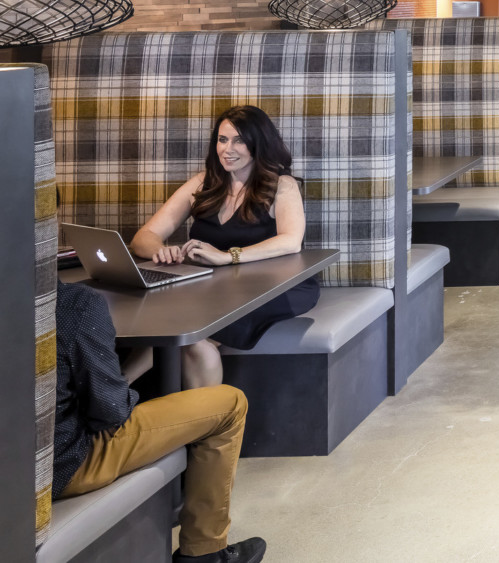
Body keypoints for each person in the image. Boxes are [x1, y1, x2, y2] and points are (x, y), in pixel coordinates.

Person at [53, 280, 266, 563]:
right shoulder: (73, 305)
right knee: (230, 404)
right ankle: (205, 552)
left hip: (15, 466)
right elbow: (111, 412)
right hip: (64, 464)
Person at [130, 105, 309, 389]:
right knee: (180, 333)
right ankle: (114, 395)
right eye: (222, 139)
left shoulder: (282, 185)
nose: (228, 149)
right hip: (216, 288)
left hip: (272, 288)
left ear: (258, 144)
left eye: (239, 140)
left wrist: (228, 257)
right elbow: (145, 235)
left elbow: (291, 241)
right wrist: (160, 250)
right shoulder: (203, 183)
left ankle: (112, 391)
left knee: (189, 336)